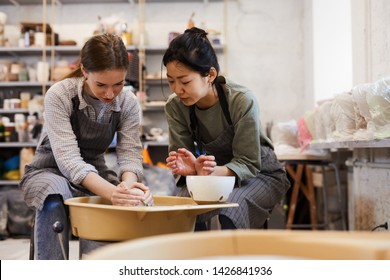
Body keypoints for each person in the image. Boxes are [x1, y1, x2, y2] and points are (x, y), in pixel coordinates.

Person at [19, 33, 153, 260]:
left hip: (95, 169)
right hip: (50, 169)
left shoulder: (128, 103)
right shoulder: (60, 94)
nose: (110, 94)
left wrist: (127, 191)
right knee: (54, 198)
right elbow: (69, 160)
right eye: (101, 85)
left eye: (118, 84)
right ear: (84, 71)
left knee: (125, 205)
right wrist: (113, 193)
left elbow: (130, 155)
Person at [163, 27, 290, 230]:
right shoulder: (175, 105)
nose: (178, 89)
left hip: (259, 173)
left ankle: (232, 262)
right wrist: (192, 170)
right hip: (212, 173)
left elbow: (248, 162)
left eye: (185, 81)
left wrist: (208, 172)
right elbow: (182, 157)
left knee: (231, 207)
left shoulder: (241, 100)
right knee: (184, 208)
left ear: (210, 74)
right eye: (171, 81)